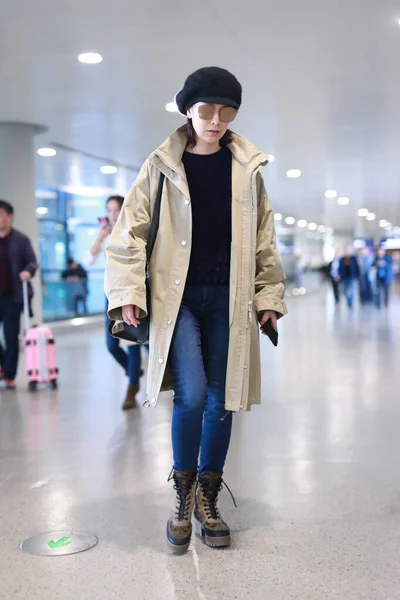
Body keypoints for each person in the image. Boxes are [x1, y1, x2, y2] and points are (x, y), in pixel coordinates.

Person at [105, 66, 287, 552]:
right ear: (187, 109)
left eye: (227, 111)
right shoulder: (161, 164)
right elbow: (128, 234)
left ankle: (209, 495)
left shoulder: (246, 169)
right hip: (176, 300)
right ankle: (183, 495)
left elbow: (264, 240)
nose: (216, 120)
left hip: (228, 299)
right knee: (190, 393)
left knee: (222, 397)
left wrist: (267, 299)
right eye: (207, 109)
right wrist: (126, 293)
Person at [89, 195, 142, 410]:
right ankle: (133, 371)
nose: (112, 214)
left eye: (116, 209)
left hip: (129, 290)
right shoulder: (105, 234)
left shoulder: (130, 230)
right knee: (111, 345)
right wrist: (101, 237)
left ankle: (132, 387)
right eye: (108, 210)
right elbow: (88, 259)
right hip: (110, 292)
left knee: (133, 342)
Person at [0, 199, 37, 389]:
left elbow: (32, 262)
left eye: (1, 214)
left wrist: (28, 272)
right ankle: (3, 365)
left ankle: (9, 375)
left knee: (10, 335)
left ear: (10, 217)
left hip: (12, 296)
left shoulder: (21, 240)